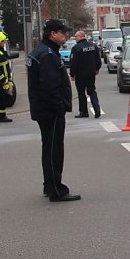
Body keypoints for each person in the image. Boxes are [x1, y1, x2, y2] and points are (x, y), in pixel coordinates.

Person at [27, 19, 79, 202]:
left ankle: (49, 185)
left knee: (49, 148)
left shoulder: (43, 51)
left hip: (44, 109)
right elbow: (50, 86)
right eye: (62, 32)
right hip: (50, 110)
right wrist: (59, 107)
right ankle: (56, 190)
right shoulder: (47, 55)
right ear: (52, 34)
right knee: (53, 150)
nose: (65, 35)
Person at [69, 30, 102, 118]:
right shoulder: (93, 46)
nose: (75, 38)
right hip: (91, 73)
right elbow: (98, 59)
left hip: (80, 75)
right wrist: (97, 68)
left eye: (76, 36)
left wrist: (72, 74)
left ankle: (84, 112)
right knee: (92, 91)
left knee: (81, 93)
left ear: (81, 36)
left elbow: (73, 63)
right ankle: (97, 109)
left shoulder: (76, 48)